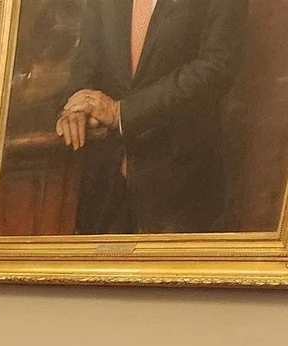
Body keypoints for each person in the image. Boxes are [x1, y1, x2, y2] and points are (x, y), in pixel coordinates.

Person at [55, 0, 248, 233]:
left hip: (180, 184)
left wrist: (123, 112)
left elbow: (218, 65)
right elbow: (86, 56)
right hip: (104, 184)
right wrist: (76, 105)